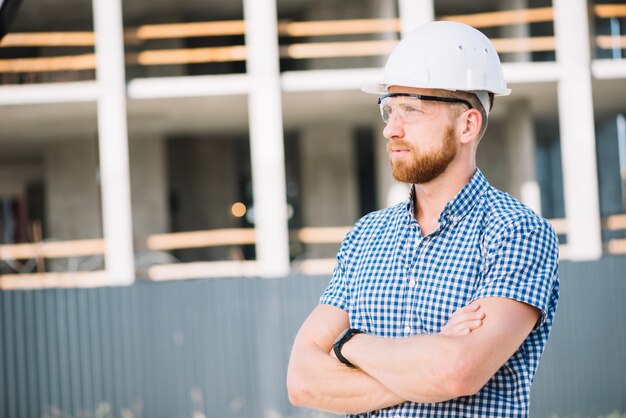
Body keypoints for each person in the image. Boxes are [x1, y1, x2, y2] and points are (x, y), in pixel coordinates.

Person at [287, 21, 559, 417]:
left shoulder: (515, 232)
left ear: (468, 125)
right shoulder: (366, 237)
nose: (390, 130)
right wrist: (427, 356)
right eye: (388, 109)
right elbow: (303, 381)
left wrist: (349, 344)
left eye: (411, 109)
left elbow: (455, 373)